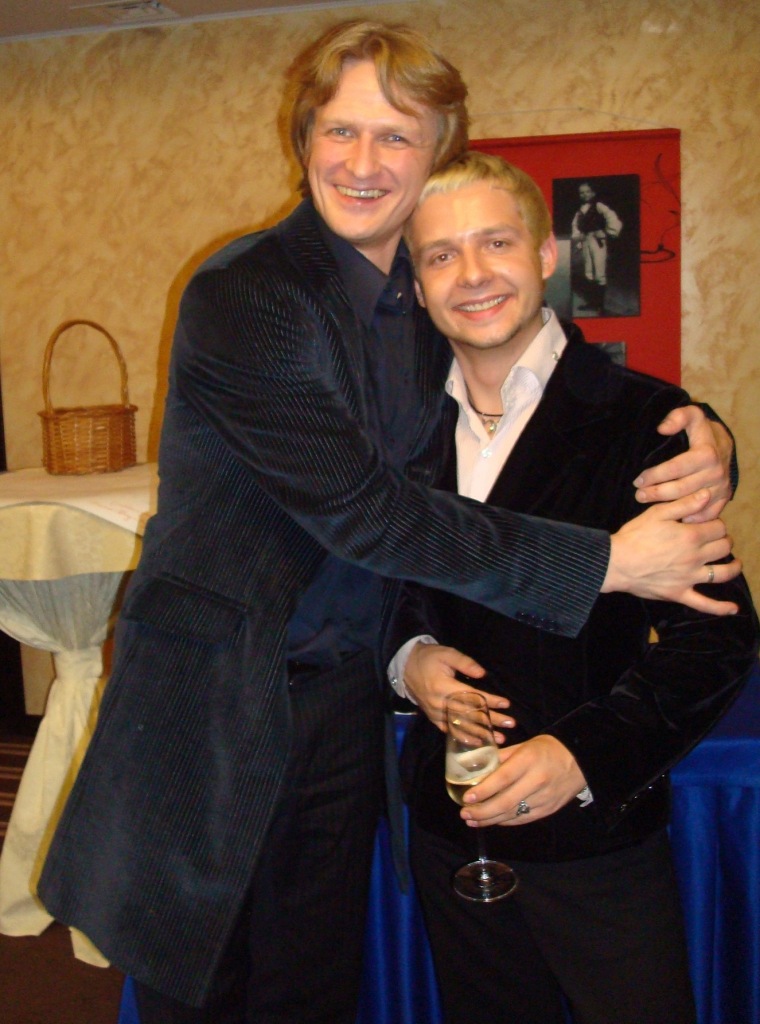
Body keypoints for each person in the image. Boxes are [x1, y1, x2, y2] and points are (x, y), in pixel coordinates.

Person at [37, 21, 737, 1024]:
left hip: (344, 705)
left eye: (397, 136)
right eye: (341, 130)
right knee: (207, 988)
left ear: (437, 156)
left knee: (312, 984)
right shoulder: (247, 295)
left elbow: (541, 385)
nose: (363, 163)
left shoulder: (422, 310)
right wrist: (606, 563)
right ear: (304, 140)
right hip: (220, 701)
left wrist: (702, 435)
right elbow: (367, 511)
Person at [390, 151, 759, 1024]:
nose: (471, 274)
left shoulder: (647, 421)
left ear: (547, 255)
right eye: (441, 254)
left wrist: (582, 757)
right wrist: (409, 658)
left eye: (496, 242)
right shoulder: (397, 429)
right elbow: (370, 590)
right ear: (417, 283)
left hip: (597, 842)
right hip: (449, 829)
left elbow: (718, 639)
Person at [571, 180, 622, 314]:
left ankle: (600, 306)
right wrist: (579, 236)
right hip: (586, 240)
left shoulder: (599, 206)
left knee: (599, 272)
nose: (585, 195)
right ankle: (592, 303)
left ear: (593, 193)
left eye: (587, 192)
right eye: (582, 193)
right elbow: (575, 226)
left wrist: (606, 232)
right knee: (588, 272)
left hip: (597, 241)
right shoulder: (580, 211)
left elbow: (612, 218)